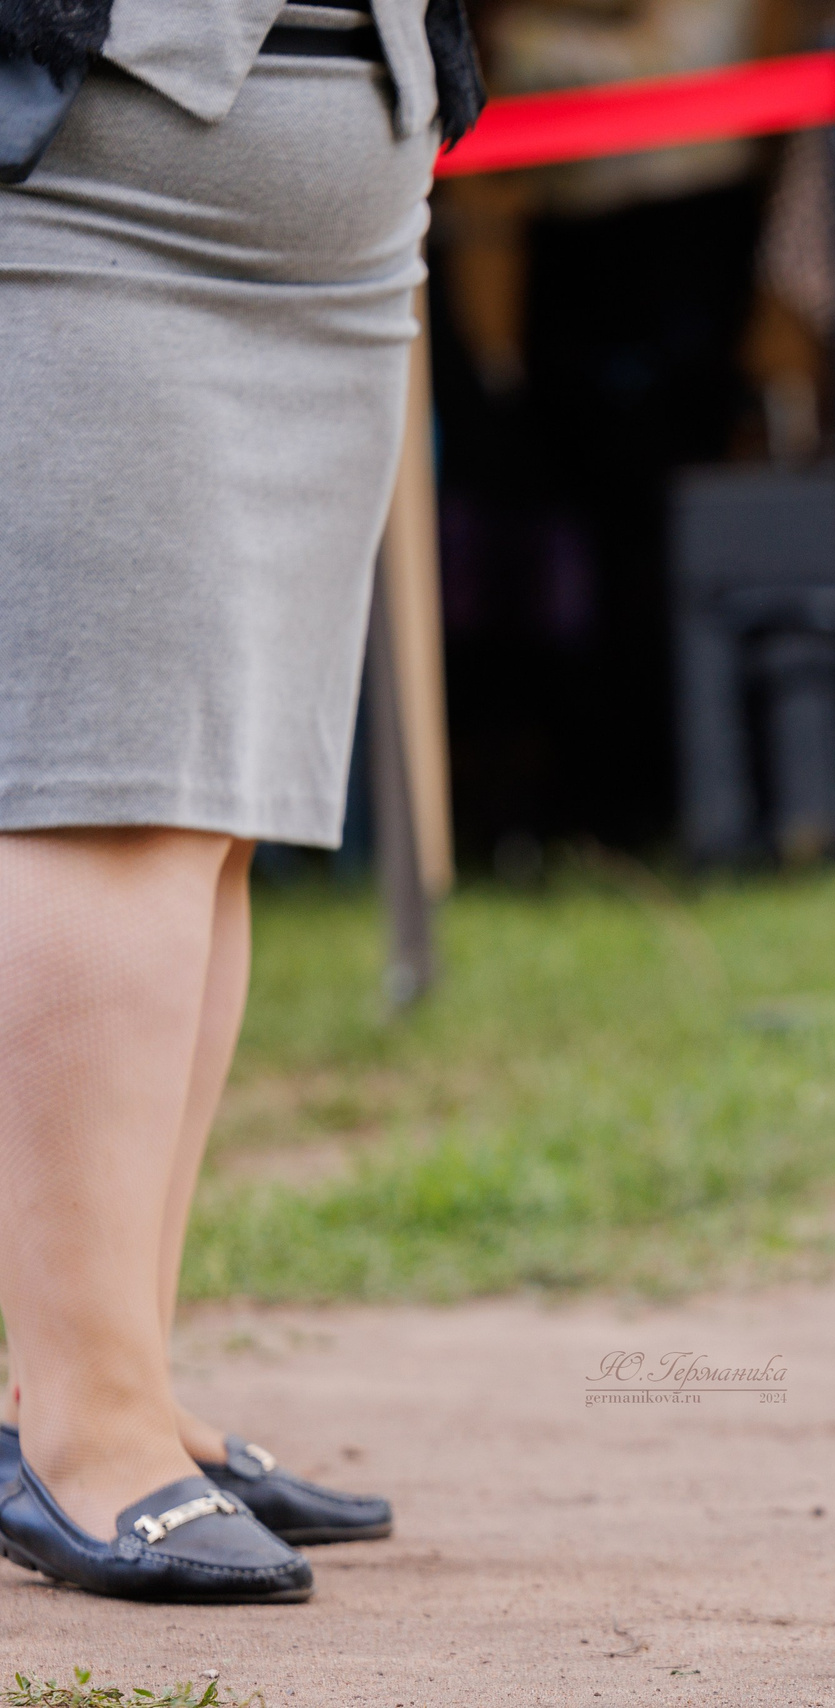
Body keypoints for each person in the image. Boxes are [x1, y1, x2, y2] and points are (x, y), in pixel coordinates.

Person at [0, 0, 482, 1603]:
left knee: (207, 818)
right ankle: (84, 1422)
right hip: (86, 190)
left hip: (338, 206)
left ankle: (103, 1373)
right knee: (110, 794)